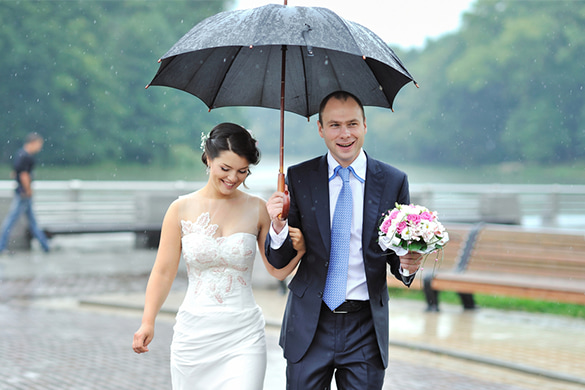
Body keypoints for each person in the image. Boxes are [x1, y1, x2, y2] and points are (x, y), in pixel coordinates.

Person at [265, 91, 423, 390]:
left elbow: (396, 257)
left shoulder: (393, 181)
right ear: (321, 129)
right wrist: (277, 224)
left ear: (365, 125)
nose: (345, 134)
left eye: (352, 123)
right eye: (334, 125)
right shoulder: (298, 178)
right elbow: (279, 260)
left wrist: (408, 264)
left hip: (365, 328)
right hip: (310, 323)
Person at [132, 123, 305, 390]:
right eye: (225, 169)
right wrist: (147, 321)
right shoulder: (179, 209)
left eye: (242, 171)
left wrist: (299, 250)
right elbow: (163, 272)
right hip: (194, 336)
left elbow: (276, 271)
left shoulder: (258, 208)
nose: (233, 178)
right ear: (209, 159)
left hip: (244, 335)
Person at [0, 132, 50, 254]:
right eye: (39, 144)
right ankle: (1, 246)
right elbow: (24, 175)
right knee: (12, 219)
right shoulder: (27, 156)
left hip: (21, 192)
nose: (40, 147)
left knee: (32, 221)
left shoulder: (19, 154)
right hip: (23, 194)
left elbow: (14, 173)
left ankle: (45, 246)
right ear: (33, 143)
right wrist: (28, 190)